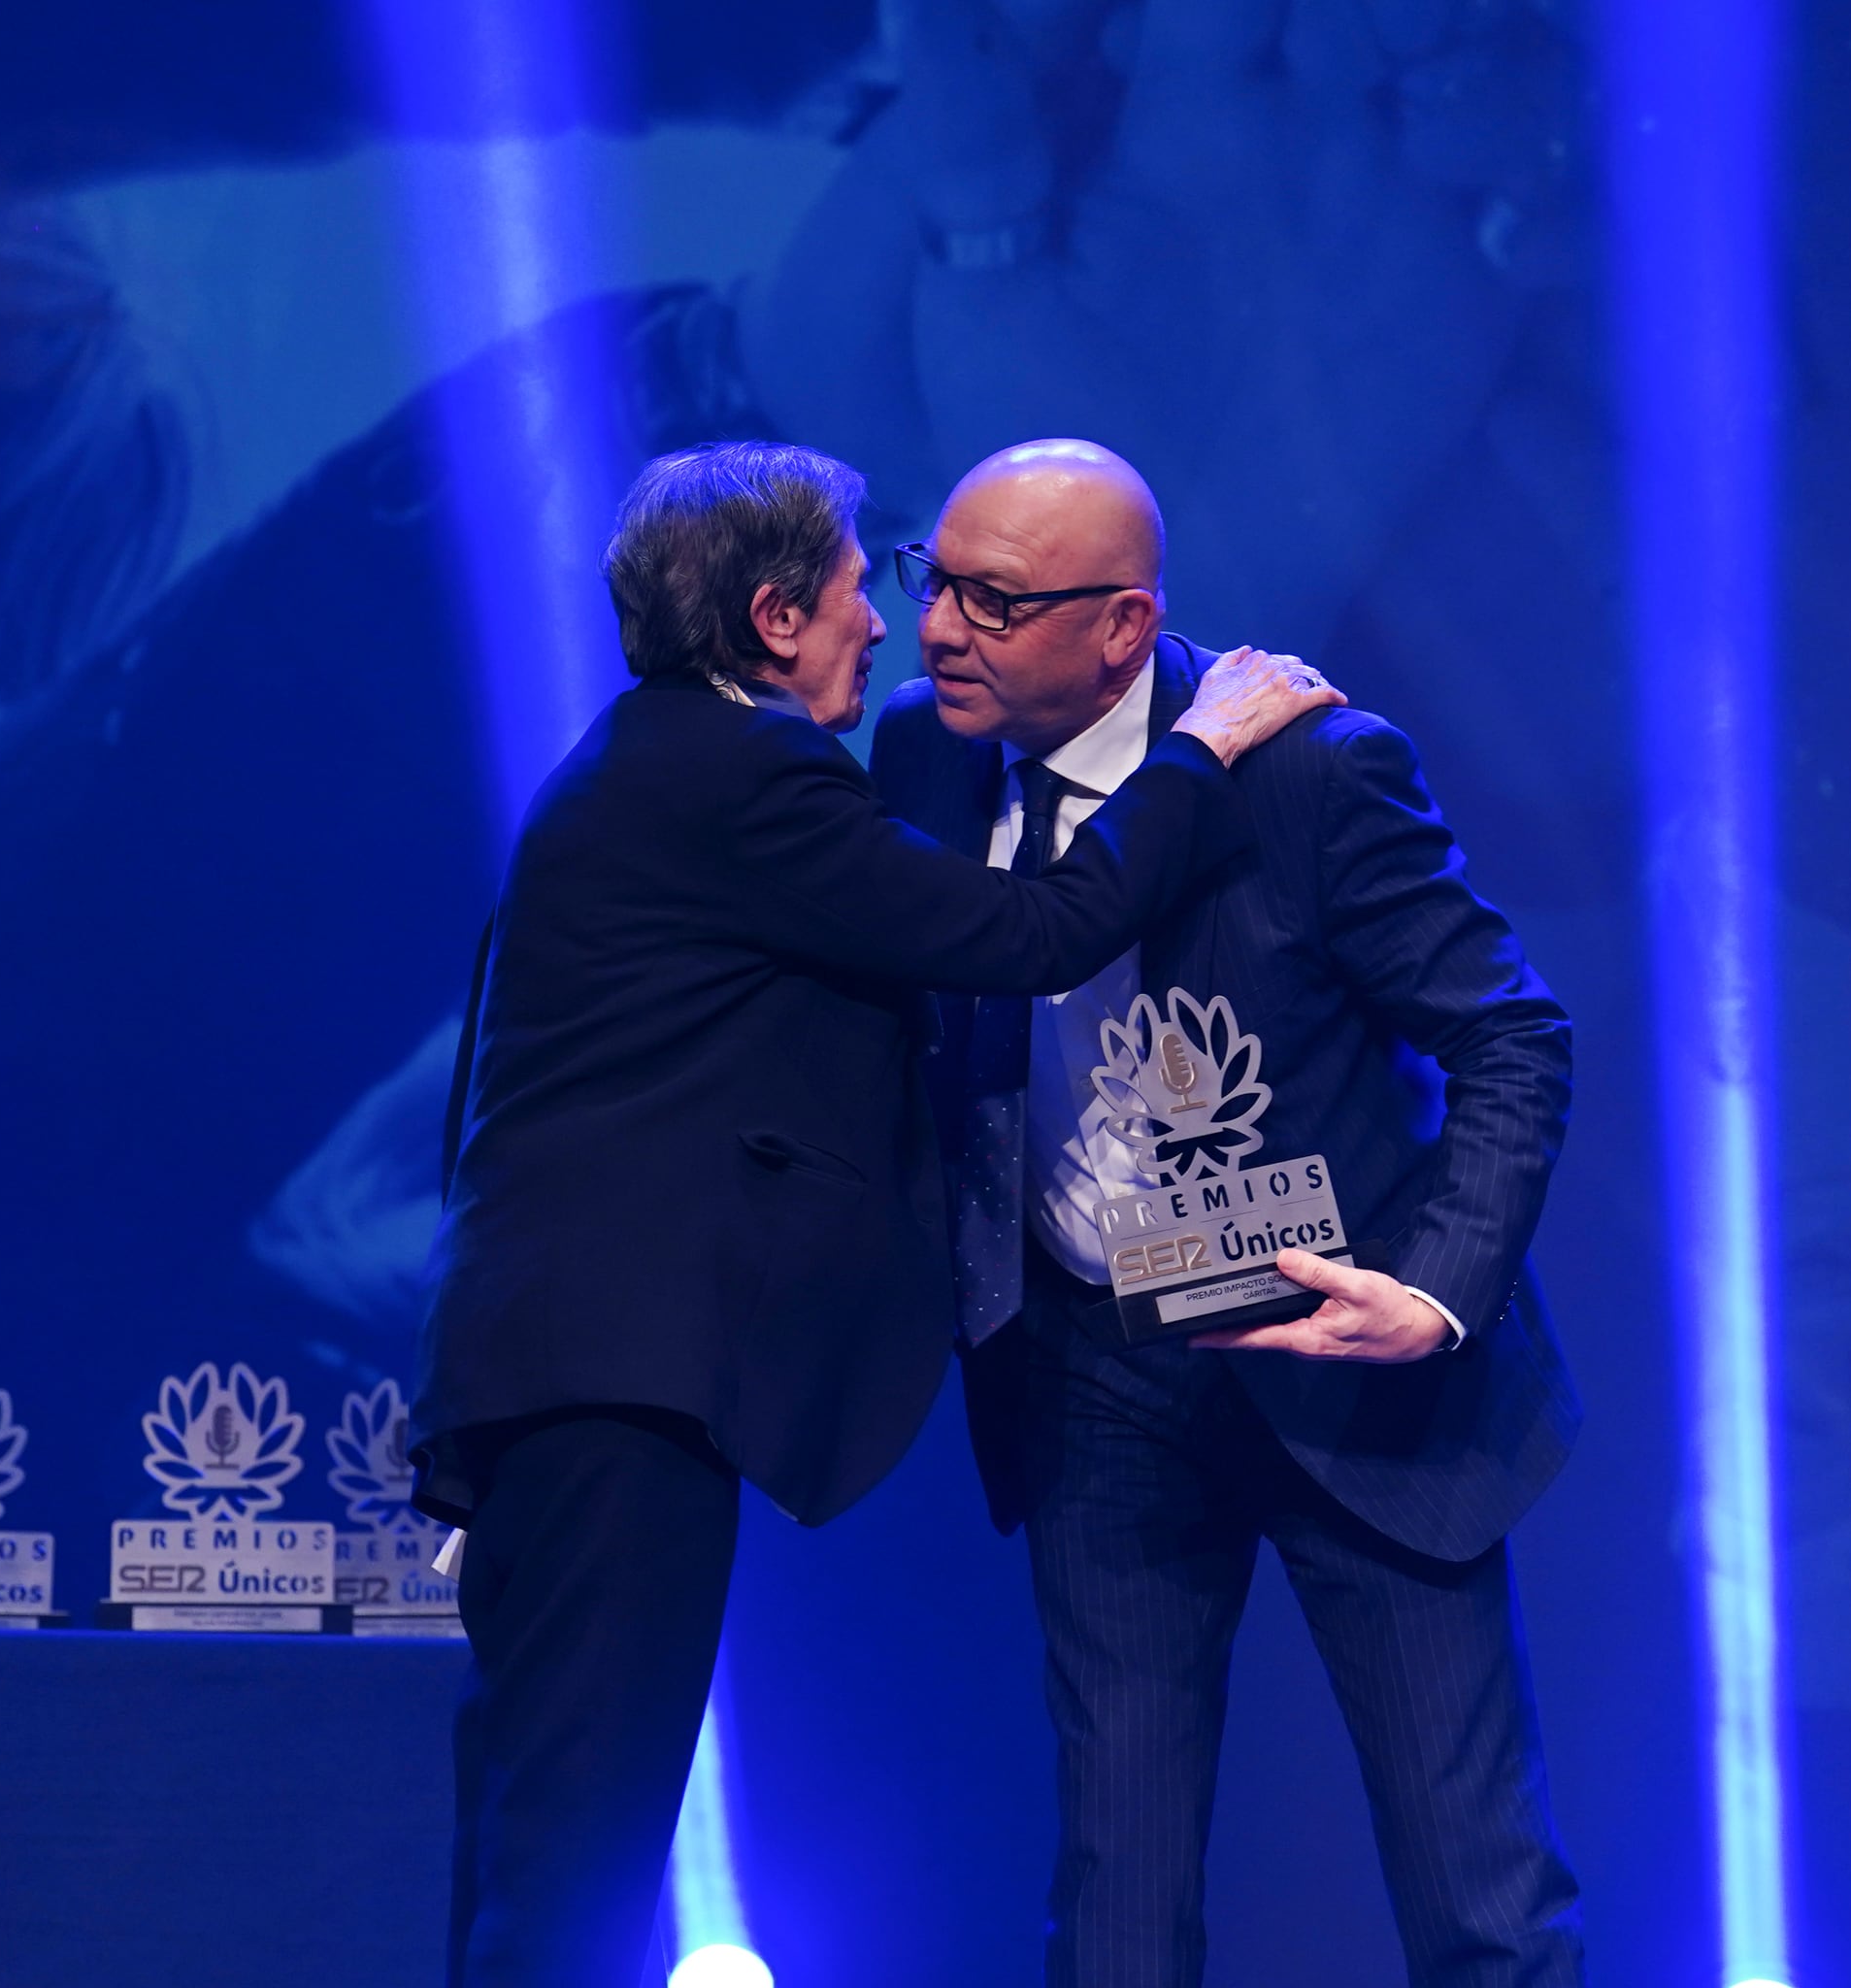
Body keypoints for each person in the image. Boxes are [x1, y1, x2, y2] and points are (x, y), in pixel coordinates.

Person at [409, 439, 1339, 1988]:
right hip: (611, 1385)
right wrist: (1209, 743)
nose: (891, 627)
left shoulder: (638, 763)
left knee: (538, 1836)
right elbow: (1035, 927)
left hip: (550, 1371)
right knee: (574, 1853)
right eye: (861, 590)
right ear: (776, 619)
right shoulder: (743, 774)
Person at [872, 440, 1584, 1986]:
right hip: (1090, 1368)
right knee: (1118, 1894)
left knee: (1476, 1897)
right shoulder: (925, 758)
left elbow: (1513, 1037)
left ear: (1124, 627)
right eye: (935, 581)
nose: (938, 631)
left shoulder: (1316, 772)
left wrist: (1438, 1293)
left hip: (1347, 1356)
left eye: (995, 603)